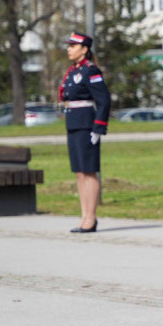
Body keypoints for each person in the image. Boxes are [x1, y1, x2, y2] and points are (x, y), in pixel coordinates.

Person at [59, 31, 111, 233]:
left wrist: (99, 126)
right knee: (79, 172)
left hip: (87, 126)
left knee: (89, 172)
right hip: (73, 124)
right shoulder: (73, 71)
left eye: (73, 46)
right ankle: (84, 216)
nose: (69, 49)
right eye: (69, 45)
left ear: (84, 49)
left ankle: (91, 218)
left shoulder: (91, 71)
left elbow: (104, 100)